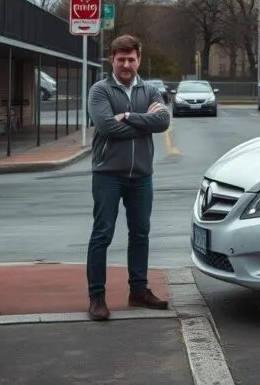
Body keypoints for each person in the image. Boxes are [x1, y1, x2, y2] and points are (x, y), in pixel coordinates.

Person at [85, 34, 171, 321]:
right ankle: (97, 297)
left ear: (139, 60)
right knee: (102, 234)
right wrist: (143, 121)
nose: (126, 64)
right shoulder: (100, 90)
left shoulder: (149, 90)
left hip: (141, 176)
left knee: (140, 233)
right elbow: (107, 127)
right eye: (120, 59)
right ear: (112, 59)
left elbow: (163, 121)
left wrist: (128, 116)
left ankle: (138, 291)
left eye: (131, 59)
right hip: (108, 174)